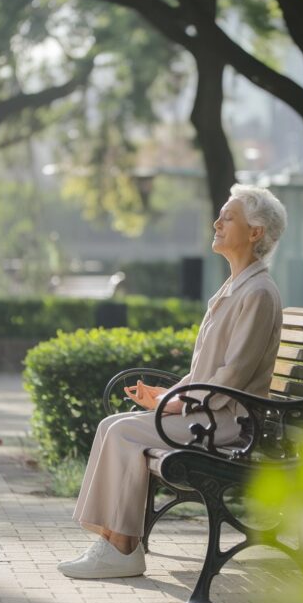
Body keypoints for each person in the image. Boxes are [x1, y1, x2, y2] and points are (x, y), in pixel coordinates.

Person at [58, 184, 287, 579]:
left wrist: (179, 403)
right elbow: (207, 370)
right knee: (114, 425)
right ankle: (114, 543)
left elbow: (232, 374)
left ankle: (122, 550)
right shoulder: (234, 288)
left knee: (124, 433)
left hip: (233, 422)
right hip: (211, 413)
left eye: (227, 217)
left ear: (255, 233)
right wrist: (168, 394)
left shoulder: (259, 292)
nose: (216, 223)